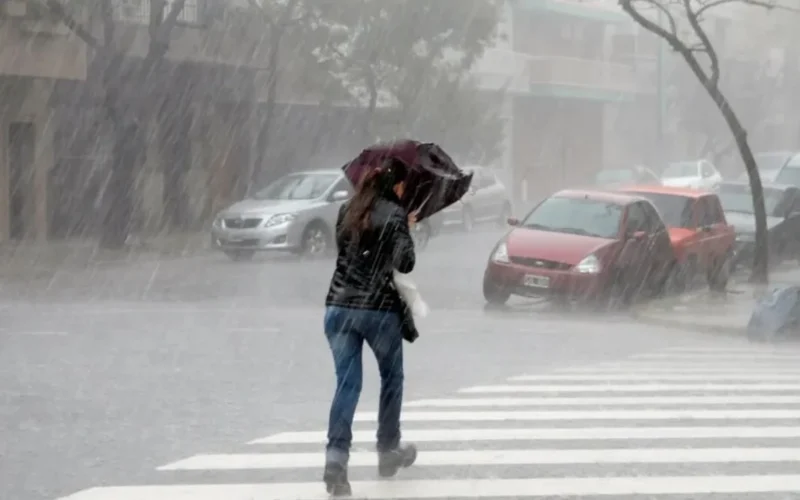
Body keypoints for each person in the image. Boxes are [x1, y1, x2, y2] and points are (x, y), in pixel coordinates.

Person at [323, 158, 418, 496]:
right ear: (396, 186)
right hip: (378, 311)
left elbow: (347, 253)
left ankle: (335, 461)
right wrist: (406, 226)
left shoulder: (347, 209)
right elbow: (405, 262)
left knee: (347, 386)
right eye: (404, 186)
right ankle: (388, 450)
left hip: (338, 307)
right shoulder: (395, 214)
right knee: (391, 378)